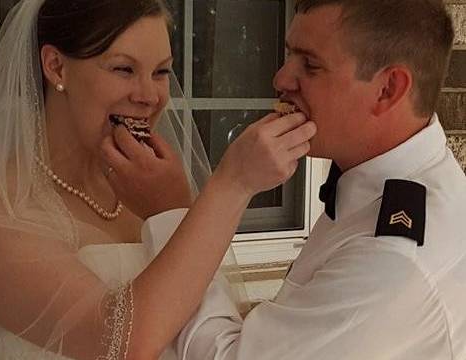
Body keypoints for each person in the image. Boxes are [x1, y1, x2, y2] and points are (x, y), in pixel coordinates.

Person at [0, 0, 315, 359]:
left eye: (161, 72)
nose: (150, 96)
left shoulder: (152, 195)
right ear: (56, 67)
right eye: (123, 69)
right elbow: (121, 344)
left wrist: (174, 208)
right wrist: (232, 183)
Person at [124, 0, 466, 359]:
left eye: (310, 65)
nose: (281, 79)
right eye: (289, 54)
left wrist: (173, 214)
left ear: (388, 89)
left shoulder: (396, 260)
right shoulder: (395, 190)